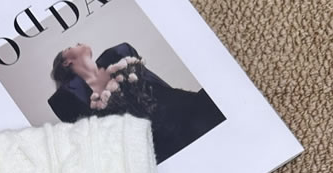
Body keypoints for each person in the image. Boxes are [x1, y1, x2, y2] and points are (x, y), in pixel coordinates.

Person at [48, 42, 225, 163]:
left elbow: (157, 86)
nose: (78, 43)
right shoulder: (69, 97)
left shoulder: (118, 55)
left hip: (181, 111)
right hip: (153, 143)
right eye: (70, 47)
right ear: (66, 62)